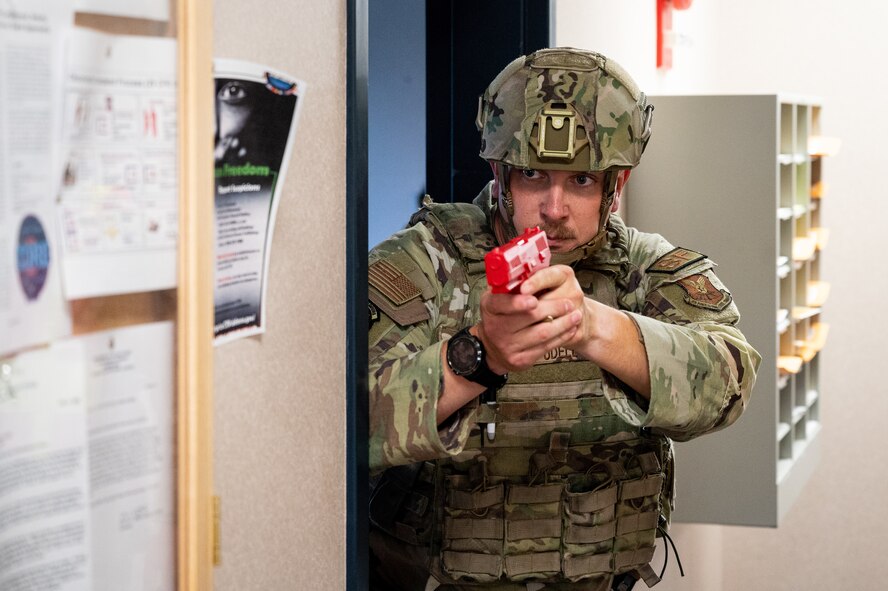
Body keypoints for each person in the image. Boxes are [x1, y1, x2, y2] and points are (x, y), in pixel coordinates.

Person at [367, 47, 761, 591]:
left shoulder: (643, 268)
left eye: (580, 180)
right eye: (533, 175)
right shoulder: (427, 261)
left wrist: (597, 329)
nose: (554, 208)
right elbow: (344, 427)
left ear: (616, 186)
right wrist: (479, 355)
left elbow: (731, 380)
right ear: (499, 174)